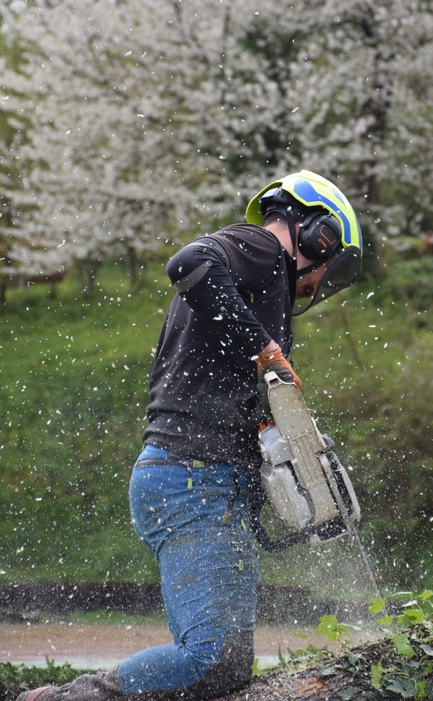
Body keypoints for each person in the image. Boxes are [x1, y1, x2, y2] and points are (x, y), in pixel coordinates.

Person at [17, 169, 362, 701]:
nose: (319, 285)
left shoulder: (246, 291)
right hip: (194, 479)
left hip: (202, 480)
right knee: (209, 660)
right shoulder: (262, 248)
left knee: (224, 672)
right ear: (320, 235)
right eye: (328, 269)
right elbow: (188, 261)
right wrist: (265, 350)